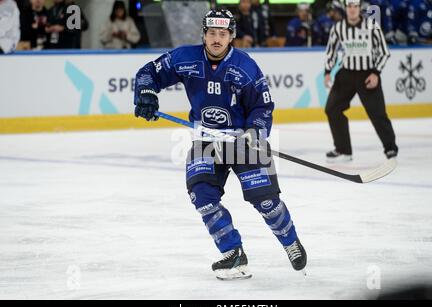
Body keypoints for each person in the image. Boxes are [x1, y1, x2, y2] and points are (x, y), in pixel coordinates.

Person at [133, 9, 307, 280]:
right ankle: (233, 252)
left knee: (266, 201)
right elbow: (149, 72)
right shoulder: (185, 57)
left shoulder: (246, 66)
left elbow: (263, 106)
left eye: (222, 34)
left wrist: (255, 132)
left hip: (242, 139)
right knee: (201, 194)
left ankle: (290, 241)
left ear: (231, 37)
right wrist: (145, 92)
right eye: (212, 33)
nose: (216, 39)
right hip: (207, 139)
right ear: (204, 34)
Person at [323, 0, 398, 162]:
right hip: (346, 75)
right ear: (345, 8)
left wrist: (376, 73)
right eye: (349, 6)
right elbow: (331, 51)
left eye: (355, 6)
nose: (352, 9)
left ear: (359, 8)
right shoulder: (338, 28)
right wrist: (327, 71)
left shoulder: (372, 26)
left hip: (367, 75)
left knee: (377, 113)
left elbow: (384, 52)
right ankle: (343, 150)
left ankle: (390, 148)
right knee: (332, 109)